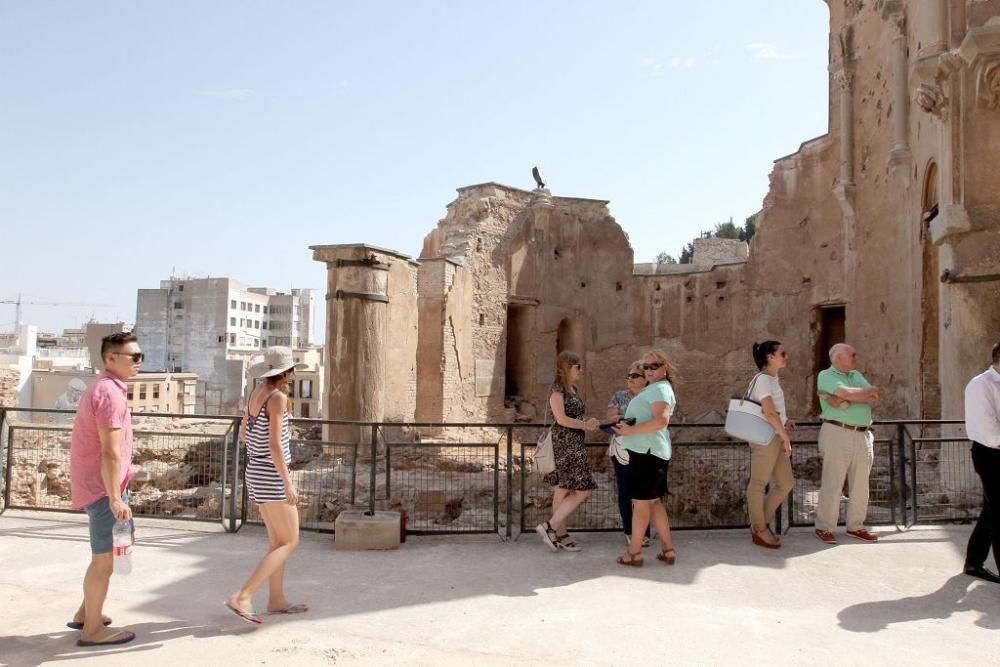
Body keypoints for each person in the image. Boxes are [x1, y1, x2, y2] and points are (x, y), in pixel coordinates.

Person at [68, 332, 143, 647]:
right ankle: (92, 631)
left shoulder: (104, 388)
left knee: (116, 548)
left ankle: (88, 614)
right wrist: (114, 497)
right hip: (103, 489)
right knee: (105, 560)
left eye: (140, 356)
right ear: (110, 358)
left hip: (104, 485)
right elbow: (110, 452)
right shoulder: (109, 394)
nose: (139, 362)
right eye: (133, 357)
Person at [226, 346, 309, 623]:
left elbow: (245, 436)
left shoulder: (256, 393)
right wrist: (288, 483)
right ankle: (244, 595)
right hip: (272, 474)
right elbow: (275, 444)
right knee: (290, 541)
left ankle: (276, 600)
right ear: (285, 372)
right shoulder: (277, 398)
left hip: (255, 469)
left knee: (277, 542)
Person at [613, 350, 677, 566]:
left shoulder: (659, 389)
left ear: (665, 368)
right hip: (651, 453)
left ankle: (634, 553)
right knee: (655, 504)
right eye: (646, 367)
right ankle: (668, 550)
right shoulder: (657, 388)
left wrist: (630, 432)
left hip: (646, 455)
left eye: (654, 366)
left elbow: (661, 420)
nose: (649, 370)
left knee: (640, 505)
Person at [814, 343, 880, 544]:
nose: (855, 358)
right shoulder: (826, 375)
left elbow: (874, 394)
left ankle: (856, 526)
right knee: (833, 481)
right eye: (852, 355)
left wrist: (846, 399)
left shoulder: (856, 375)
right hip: (837, 431)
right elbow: (853, 394)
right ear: (838, 358)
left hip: (862, 434)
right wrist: (856, 395)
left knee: (861, 484)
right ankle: (824, 526)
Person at [535, 351, 600, 552]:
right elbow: (561, 419)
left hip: (574, 443)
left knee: (563, 490)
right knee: (580, 489)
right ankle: (552, 528)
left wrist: (588, 423)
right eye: (577, 367)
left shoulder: (573, 389)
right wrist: (584, 425)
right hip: (565, 444)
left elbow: (574, 416)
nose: (581, 370)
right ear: (566, 368)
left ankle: (557, 533)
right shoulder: (557, 390)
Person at [744, 341, 796, 548]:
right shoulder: (763, 379)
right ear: (770, 357)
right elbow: (768, 411)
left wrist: (784, 421)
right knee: (758, 483)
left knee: (786, 483)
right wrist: (784, 436)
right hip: (766, 436)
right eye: (783, 353)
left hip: (773, 434)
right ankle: (760, 528)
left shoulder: (772, 379)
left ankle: (759, 524)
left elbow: (774, 411)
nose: (787, 356)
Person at [962, 341, 1000, 584]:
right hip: (990, 455)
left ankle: (974, 562)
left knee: (991, 511)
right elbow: (988, 431)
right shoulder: (981, 385)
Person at [606, 360, 650, 547]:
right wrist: (625, 419)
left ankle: (644, 532)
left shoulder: (651, 397)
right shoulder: (619, 396)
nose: (630, 379)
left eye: (634, 376)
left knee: (644, 492)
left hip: (646, 448)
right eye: (628, 375)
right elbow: (610, 419)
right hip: (622, 449)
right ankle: (630, 531)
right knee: (625, 490)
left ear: (645, 379)